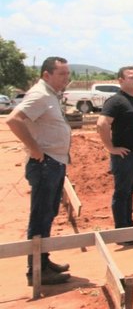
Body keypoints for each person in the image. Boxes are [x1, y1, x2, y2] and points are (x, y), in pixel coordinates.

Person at [6, 57, 72, 285]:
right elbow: (14, 120)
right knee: (40, 217)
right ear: (46, 75)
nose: (67, 78)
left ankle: (43, 262)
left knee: (47, 215)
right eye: (62, 74)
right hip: (45, 164)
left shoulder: (50, 94)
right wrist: (35, 149)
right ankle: (36, 271)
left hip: (53, 162)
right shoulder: (40, 95)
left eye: (67, 73)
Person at [96, 66, 133, 244]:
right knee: (122, 193)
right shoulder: (116, 101)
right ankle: (121, 232)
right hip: (125, 156)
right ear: (120, 80)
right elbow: (102, 124)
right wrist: (111, 148)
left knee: (130, 192)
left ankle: (128, 224)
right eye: (131, 77)